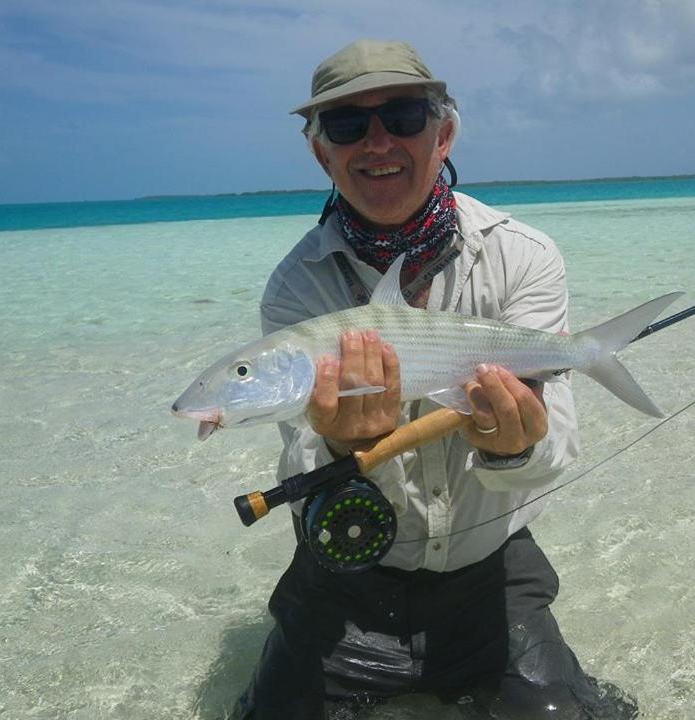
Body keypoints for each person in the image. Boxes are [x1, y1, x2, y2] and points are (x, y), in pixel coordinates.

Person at [232, 39, 639, 720]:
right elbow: (306, 476)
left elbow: (553, 456)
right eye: (346, 125)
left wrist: (510, 446)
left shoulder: (523, 256)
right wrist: (338, 451)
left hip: (492, 576)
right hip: (348, 585)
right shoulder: (296, 288)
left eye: (404, 115)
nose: (378, 140)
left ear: (444, 132)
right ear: (320, 152)